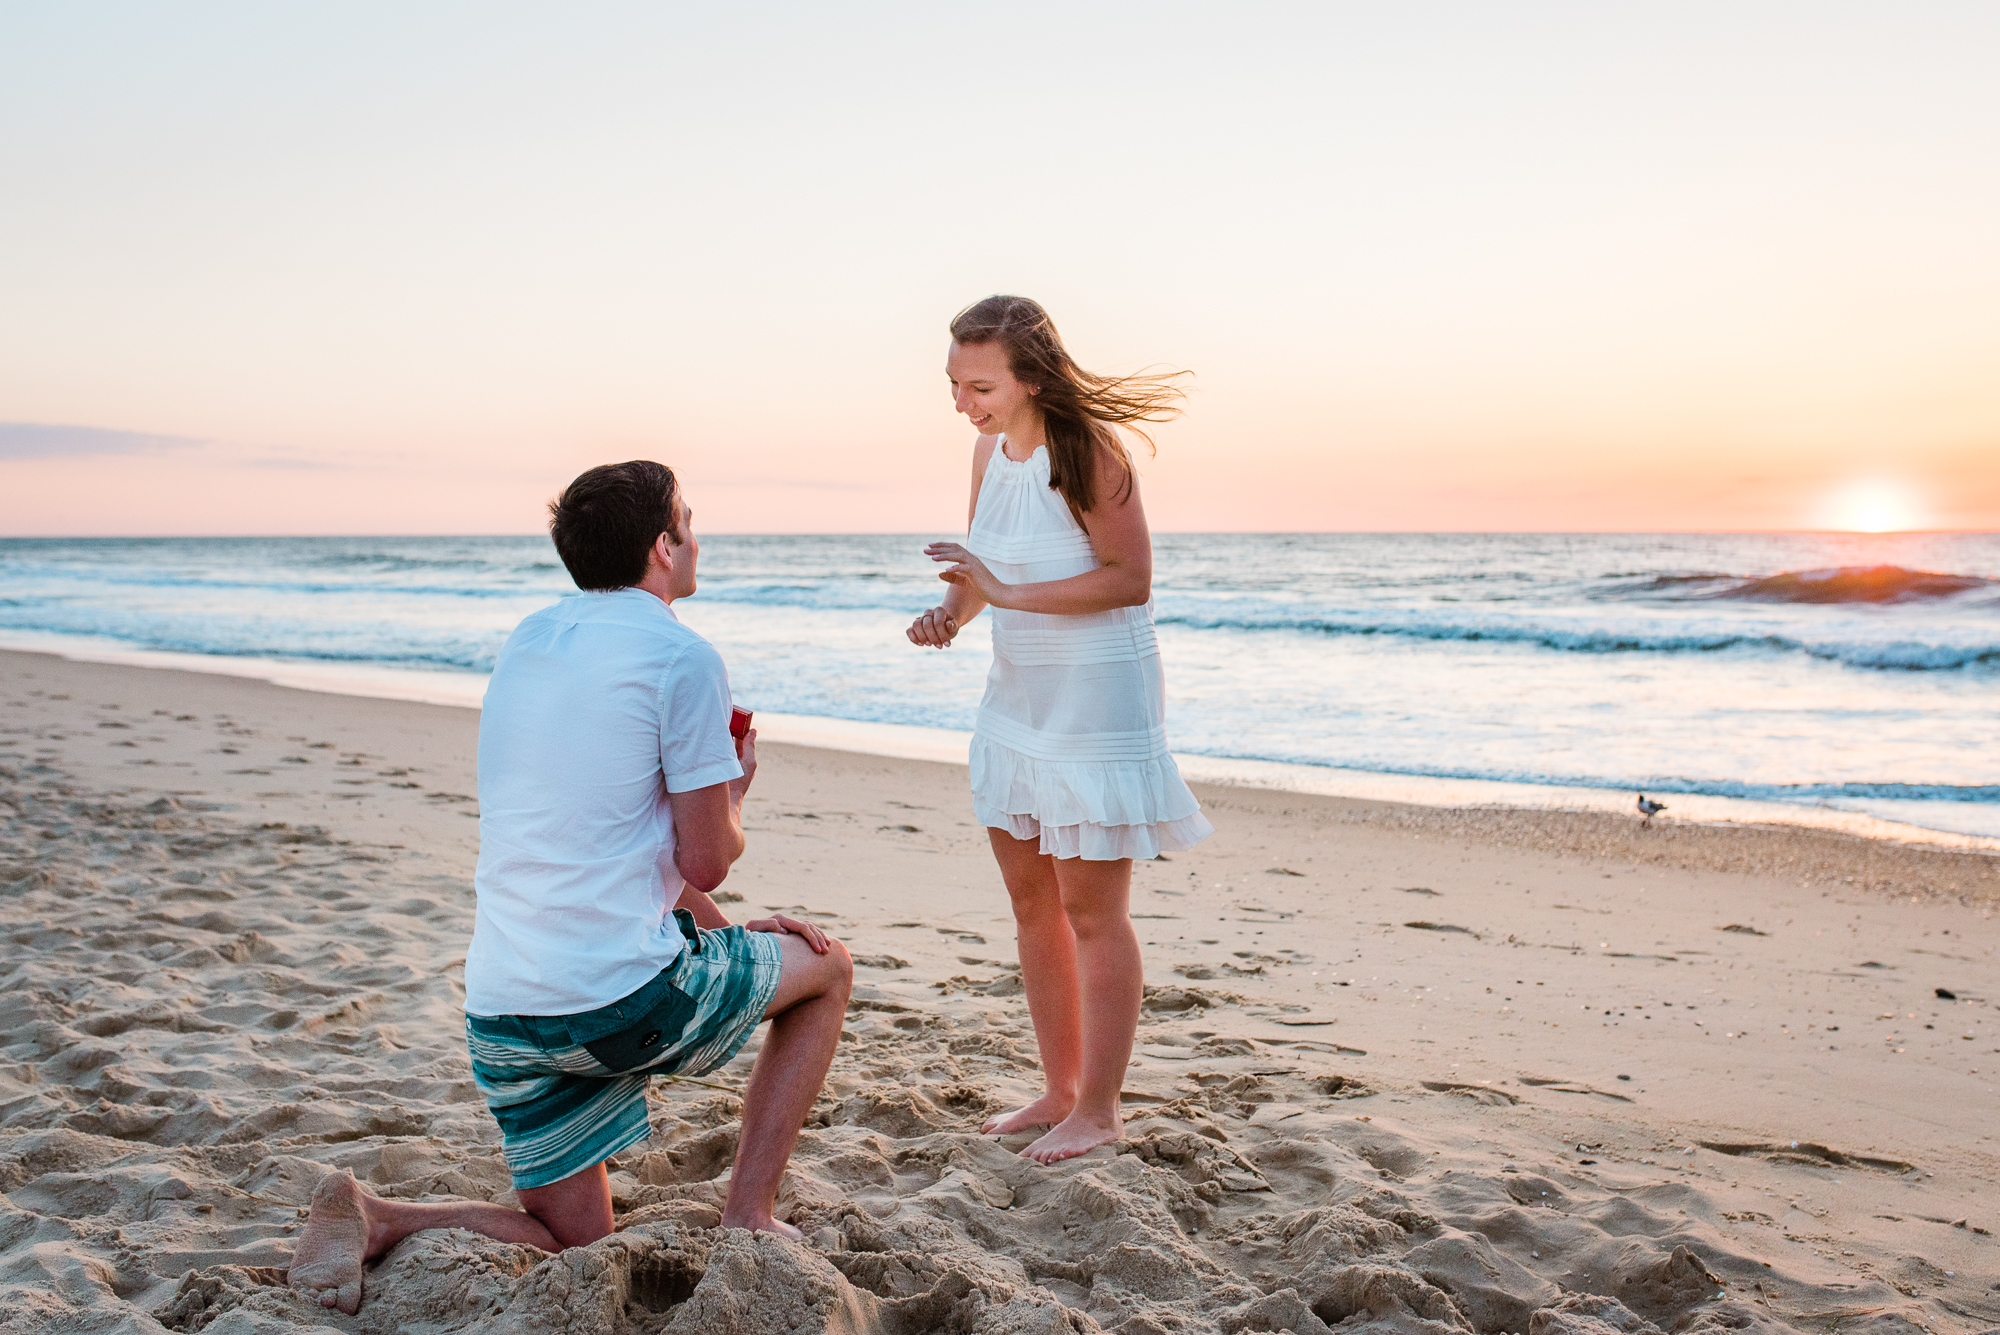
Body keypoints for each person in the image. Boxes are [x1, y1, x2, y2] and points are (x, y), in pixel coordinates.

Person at [289, 460, 853, 1315]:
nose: (697, 537)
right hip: (615, 1005)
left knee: (573, 1242)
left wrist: (727, 932)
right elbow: (705, 858)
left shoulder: (530, 639)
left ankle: (376, 1214)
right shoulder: (682, 655)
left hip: (504, 1013)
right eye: (688, 522)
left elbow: (597, 849)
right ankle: (751, 1214)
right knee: (831, 969)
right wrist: (733, 793)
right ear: (662, 547)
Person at [905, 296, 1213, 1164]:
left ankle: (1101, 1110)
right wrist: (951, 613)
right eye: (954, 385)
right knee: (1031, 902)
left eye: (980, 386)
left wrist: (1004, 593)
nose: (963, 403)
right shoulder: (985, 453)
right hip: (1020, 696)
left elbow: (1130, 579)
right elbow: (983, 570)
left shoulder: (1090, 452)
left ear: (1031, 376)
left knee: (1091, 909)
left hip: (1095, 702)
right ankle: (1059, 1089)